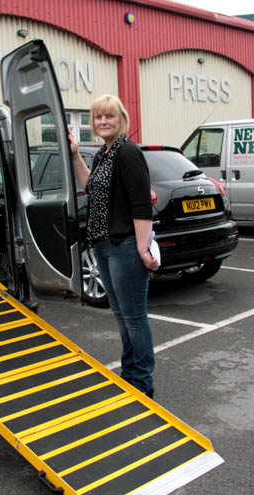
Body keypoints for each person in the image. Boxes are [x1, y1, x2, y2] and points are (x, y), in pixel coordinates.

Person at [68, 94, 159, 398]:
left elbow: (141, 205)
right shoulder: (102, 155)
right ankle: (129, 372)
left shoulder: (128, 153)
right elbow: (89, 187)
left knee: (134, 318)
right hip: (104, 246)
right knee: (121, 316)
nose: (103, 122)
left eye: (109, 116)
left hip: (125, 246)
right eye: (97, 117)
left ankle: (143, 383)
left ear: (121, 119)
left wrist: (144, 249)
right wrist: (75, 154)